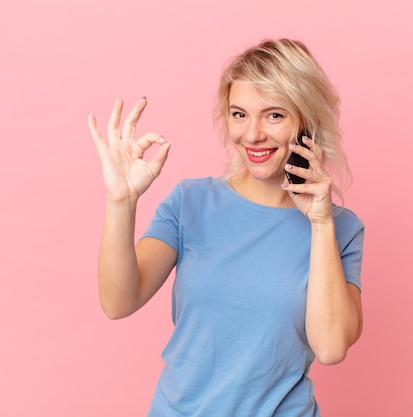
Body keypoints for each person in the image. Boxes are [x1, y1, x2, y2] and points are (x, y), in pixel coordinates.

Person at [88, 38, 364, 416]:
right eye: (239, 114)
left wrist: (320, 223)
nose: (252, 135)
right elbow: (118, 302)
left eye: (274, 115)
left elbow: (331, 348)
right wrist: (120, 202)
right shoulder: (191, 203)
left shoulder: (341, 229)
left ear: (307, 121)